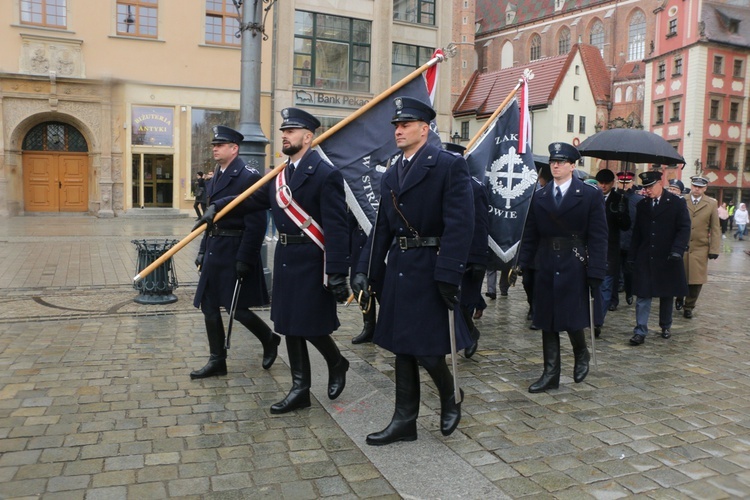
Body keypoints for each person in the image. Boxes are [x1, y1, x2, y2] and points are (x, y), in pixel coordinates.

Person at [196, 108, 351, 414]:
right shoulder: (280, 175)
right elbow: (252, 200)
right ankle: (300, 389)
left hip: (311, 257)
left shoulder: (324, 173)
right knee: (289, 325)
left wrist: (336, 271)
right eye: (283, 131)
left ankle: (336, 361)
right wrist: (219, 206)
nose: (284, 135)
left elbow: (337, 226)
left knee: (310, 325)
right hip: (285, 257)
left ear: (307, 137)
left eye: (291, 131)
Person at [351, 96, 475, 445]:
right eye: (396, 125)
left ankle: (451, 396)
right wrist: (365, 269)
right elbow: (382, 229)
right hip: (401, 268)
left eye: (405, 124)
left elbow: (460, 224)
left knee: (425, 349)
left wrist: (450, 274)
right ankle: (404, 420)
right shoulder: (392, 172)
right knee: (402, 347)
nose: (398, 130)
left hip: (432, 266)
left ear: (425, 128)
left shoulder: (447, 165)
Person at [190, 126, 279, 380]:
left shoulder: (249, 176)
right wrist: (202, 249)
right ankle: (217, 360)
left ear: (234, 148)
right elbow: (210, 219)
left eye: (220, 145)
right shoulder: (217, 173)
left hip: (234, 249)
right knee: (208, 306)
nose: (215, 148)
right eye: (214, 145)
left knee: (237, 309)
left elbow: (257, 223)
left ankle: (269, 339)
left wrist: (244, 258)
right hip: (215, 250)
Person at [518, 142, 607, 393]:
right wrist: (523, 263)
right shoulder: (540, 196)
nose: (555, 165)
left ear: (572, 166)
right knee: (547, 319)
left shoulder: (589, 195)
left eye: (561, 162)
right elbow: (530, 234)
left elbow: (599, 236)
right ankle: (550, 373)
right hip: (546, 261)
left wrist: (597, 271)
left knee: (571, 316)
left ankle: (581, 352)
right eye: (553, 162)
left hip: (574, 260)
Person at [627, 170, 690, 345]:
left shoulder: (676, 203)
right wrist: (632, 256)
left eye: (650, 187)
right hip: (646, 256)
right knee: (643, 294)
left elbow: (684, 228)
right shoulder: (642, 205)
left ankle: (665, 325)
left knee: (666, 294)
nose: (647, 190)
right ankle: (640, 330)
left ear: (659, 184)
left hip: (668, 256)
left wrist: (677, 249)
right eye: (645, 187)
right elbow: (637, 234)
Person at [444, 141, 488, 358]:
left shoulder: (475, 187)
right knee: (443, 300)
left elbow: (480, 224)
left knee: (462, 303)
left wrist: (479, 259)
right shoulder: (438, 185)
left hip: (469, 255)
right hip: (443, 252)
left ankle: (470, 333)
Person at [675, 176, 720, 319]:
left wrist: (714, 249)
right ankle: (679, 296)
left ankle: (689, 306)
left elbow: (715, 228)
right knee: (680, 275)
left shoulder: (711, 203)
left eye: (700, 187)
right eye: (695, 186)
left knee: (696, 280)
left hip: (700, 247)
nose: (696, 189)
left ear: (705, 188)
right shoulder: (682, 200)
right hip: (682, 245)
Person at [594, 169, 630, 335]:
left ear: (612, 183)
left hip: (610, 248)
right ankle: (592, 314)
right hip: (592, 247)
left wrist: (621, 214)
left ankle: (598, 321)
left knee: (607, 286)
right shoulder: (591, 196)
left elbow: (626, 226)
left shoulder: (620, 199)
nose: (603, 186)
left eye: (606, 183)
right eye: (600, 183)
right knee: (593, 285)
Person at [349, 207, 376, 344]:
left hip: (377, 237)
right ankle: (369, 327)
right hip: (359, 238)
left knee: (381, 286)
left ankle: (389, 328)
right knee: (360, 289)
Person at [617, 171, 642, 306]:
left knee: (629, 271)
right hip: (616, 241)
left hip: (631, 241)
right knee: (614, 272)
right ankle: (614, 299)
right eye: (622, 182)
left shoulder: (638, 200)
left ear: (632, 183)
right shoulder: (614, 198)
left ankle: (629, 291)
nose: (624, 185)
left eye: (627, 183)